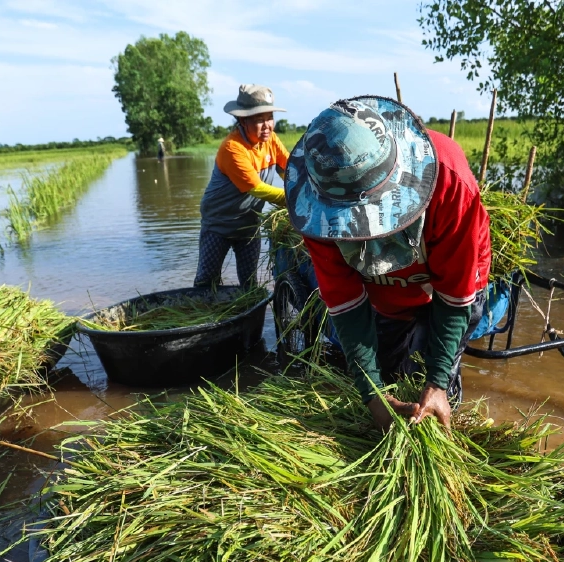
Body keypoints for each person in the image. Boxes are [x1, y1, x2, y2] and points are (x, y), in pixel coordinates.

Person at [284, 96, 490, 430]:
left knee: (442, 386)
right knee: (391, 372)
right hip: (386, 294)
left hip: (454, 282)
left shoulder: (450, 181)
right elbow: (346, 303)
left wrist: (437, 383)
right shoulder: (316, 210)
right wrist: (373, 394)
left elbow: (455, 294)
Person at [195, 84, 289, 289]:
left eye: (270, 118)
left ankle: (250, 310)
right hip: (219, 224)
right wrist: (294, 200)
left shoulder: (271, 140)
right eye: (259, 120)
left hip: (249, 225)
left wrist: (309, 188)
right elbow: (257, 189)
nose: (267, 126)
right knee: (206, 281)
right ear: (243, 120)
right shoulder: (232, 148)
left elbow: (290, 171)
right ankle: (208, 308)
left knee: (250, 283)